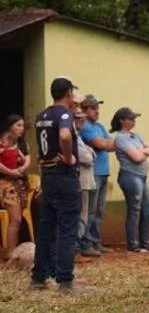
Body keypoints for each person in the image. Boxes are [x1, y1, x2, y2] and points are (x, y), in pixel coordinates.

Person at [31, 77, 83, 292]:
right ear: (69, 93)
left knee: (46, 227)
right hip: (63, 174)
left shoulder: (41, 115)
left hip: (47, 173)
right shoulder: (64, 115)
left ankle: (39, 276)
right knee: (67, 228)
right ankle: (65, 279)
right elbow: (64, 136)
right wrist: (69, 157)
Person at [111, 107, 149, 253]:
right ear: (122, 121)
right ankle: (133, 244)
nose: (134, 121)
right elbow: (137, 158)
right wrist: (143, 151)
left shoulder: (135, 136)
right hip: (130, 175)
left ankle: (144, 242)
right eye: (131, 118)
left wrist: (141, 151)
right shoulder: (120, 138)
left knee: (147, 209)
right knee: (134, 209)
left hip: (141, 176)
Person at [79, 95, 114, 252]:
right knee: (89, 210)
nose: (96, 111)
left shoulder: (99, 126)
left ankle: (95, 241)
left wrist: (106, 143)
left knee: (99, 210)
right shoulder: (84, 126)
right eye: (93, 108)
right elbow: (100, 144)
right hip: (92, 173)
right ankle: (85, 243)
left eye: (97, 108)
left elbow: (112, 144)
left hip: (103, 171)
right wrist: (105, 143)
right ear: (84, 110)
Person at [0, 114, 31, 257]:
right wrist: (10, 172)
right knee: (16, 218)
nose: (21, 129)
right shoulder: (1, 142)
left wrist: (20, 169)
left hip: (19, 182)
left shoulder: (22, 144)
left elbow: (27, 160)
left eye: (22, 125)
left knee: (17, 219)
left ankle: (14, 252)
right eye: (18, 125)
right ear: (10, 126)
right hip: (5, 183)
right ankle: (10, 253)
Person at [74, 109, 101, 257]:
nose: (81, 122)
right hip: (81, 182)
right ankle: (76, 249)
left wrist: (90, 152)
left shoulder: (78, 137)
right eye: (78, 119)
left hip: (87, 181)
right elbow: (87, 158)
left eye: (82, 119)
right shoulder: (73, 137)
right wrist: (90, 152)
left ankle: (79, 246)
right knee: (81, 217)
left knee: (87, 215)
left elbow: (90, 155)